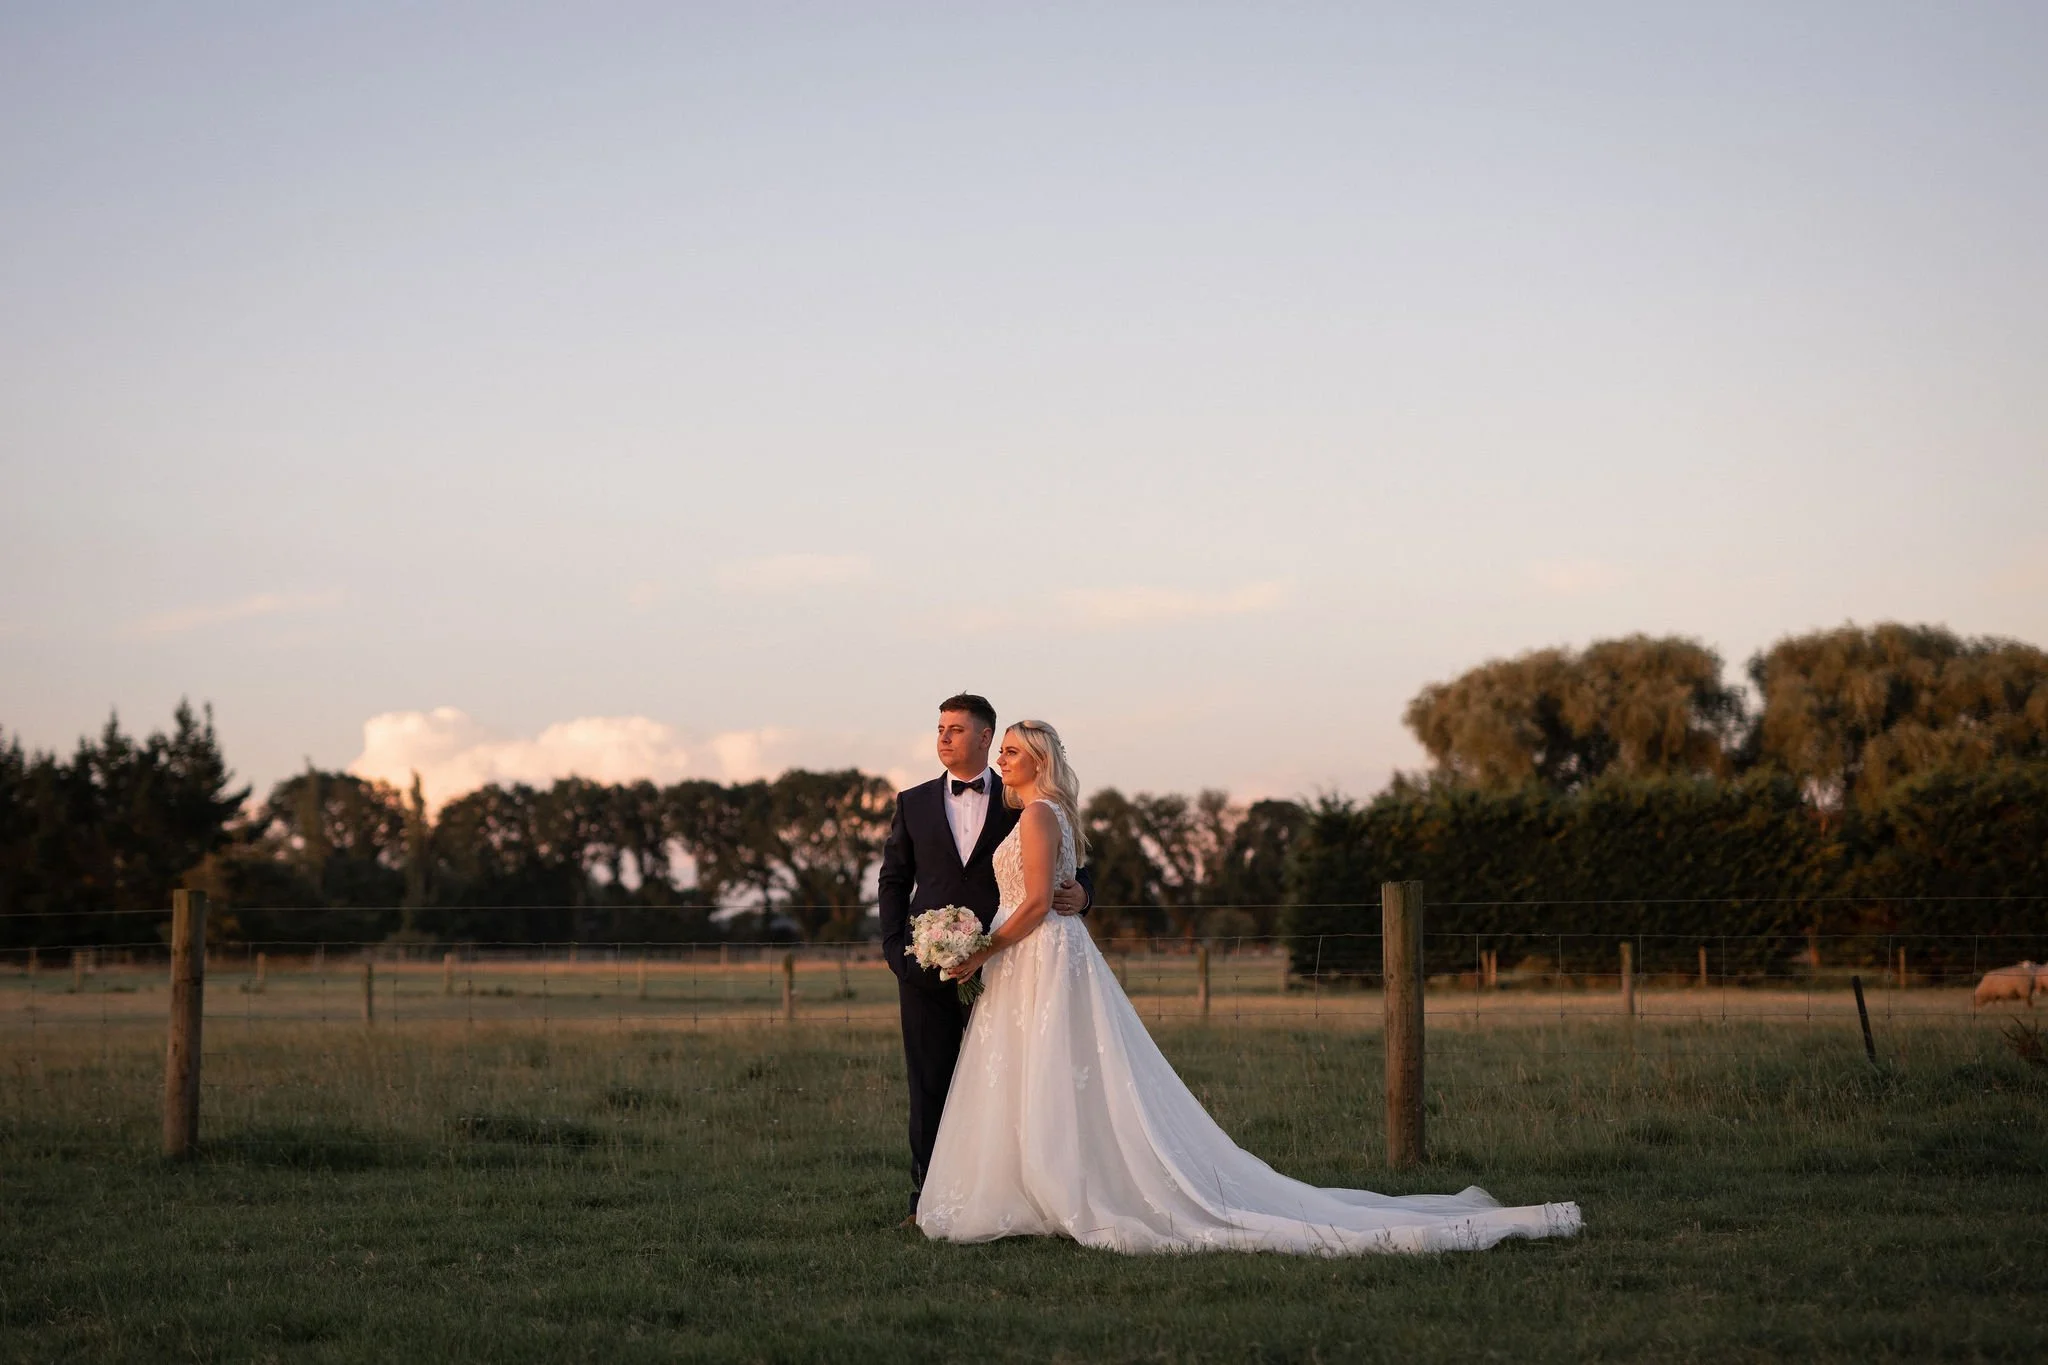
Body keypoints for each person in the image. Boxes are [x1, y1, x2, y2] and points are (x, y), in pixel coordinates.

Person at [915, 719, 1583, 1255]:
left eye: (1011, 751)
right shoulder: (1047, 814)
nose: (1002, 760)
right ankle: (1040, 1185)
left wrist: (981, 952)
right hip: (1036, 959)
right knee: (1046, 1072)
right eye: (1000, 751)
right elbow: (1052, 892)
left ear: (1040, 759)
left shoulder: (1036, 817)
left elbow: (1033, 903)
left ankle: (1058, 1188)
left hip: (1036, 955)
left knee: (1049, 1071)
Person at [876, 694, 1094, 1226]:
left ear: (985, 738)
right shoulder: (914, 802)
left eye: (956, 729)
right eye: (940, 728)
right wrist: (894, 949)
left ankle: (1010, 1192)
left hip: (1010, 965)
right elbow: (893, 879)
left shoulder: (1021, 797)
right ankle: (926, 1199)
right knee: (929, 1082)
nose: (944, 738)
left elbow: (1072, 860)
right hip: (927, 965)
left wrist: (1083, 896)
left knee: (1004, 1081)